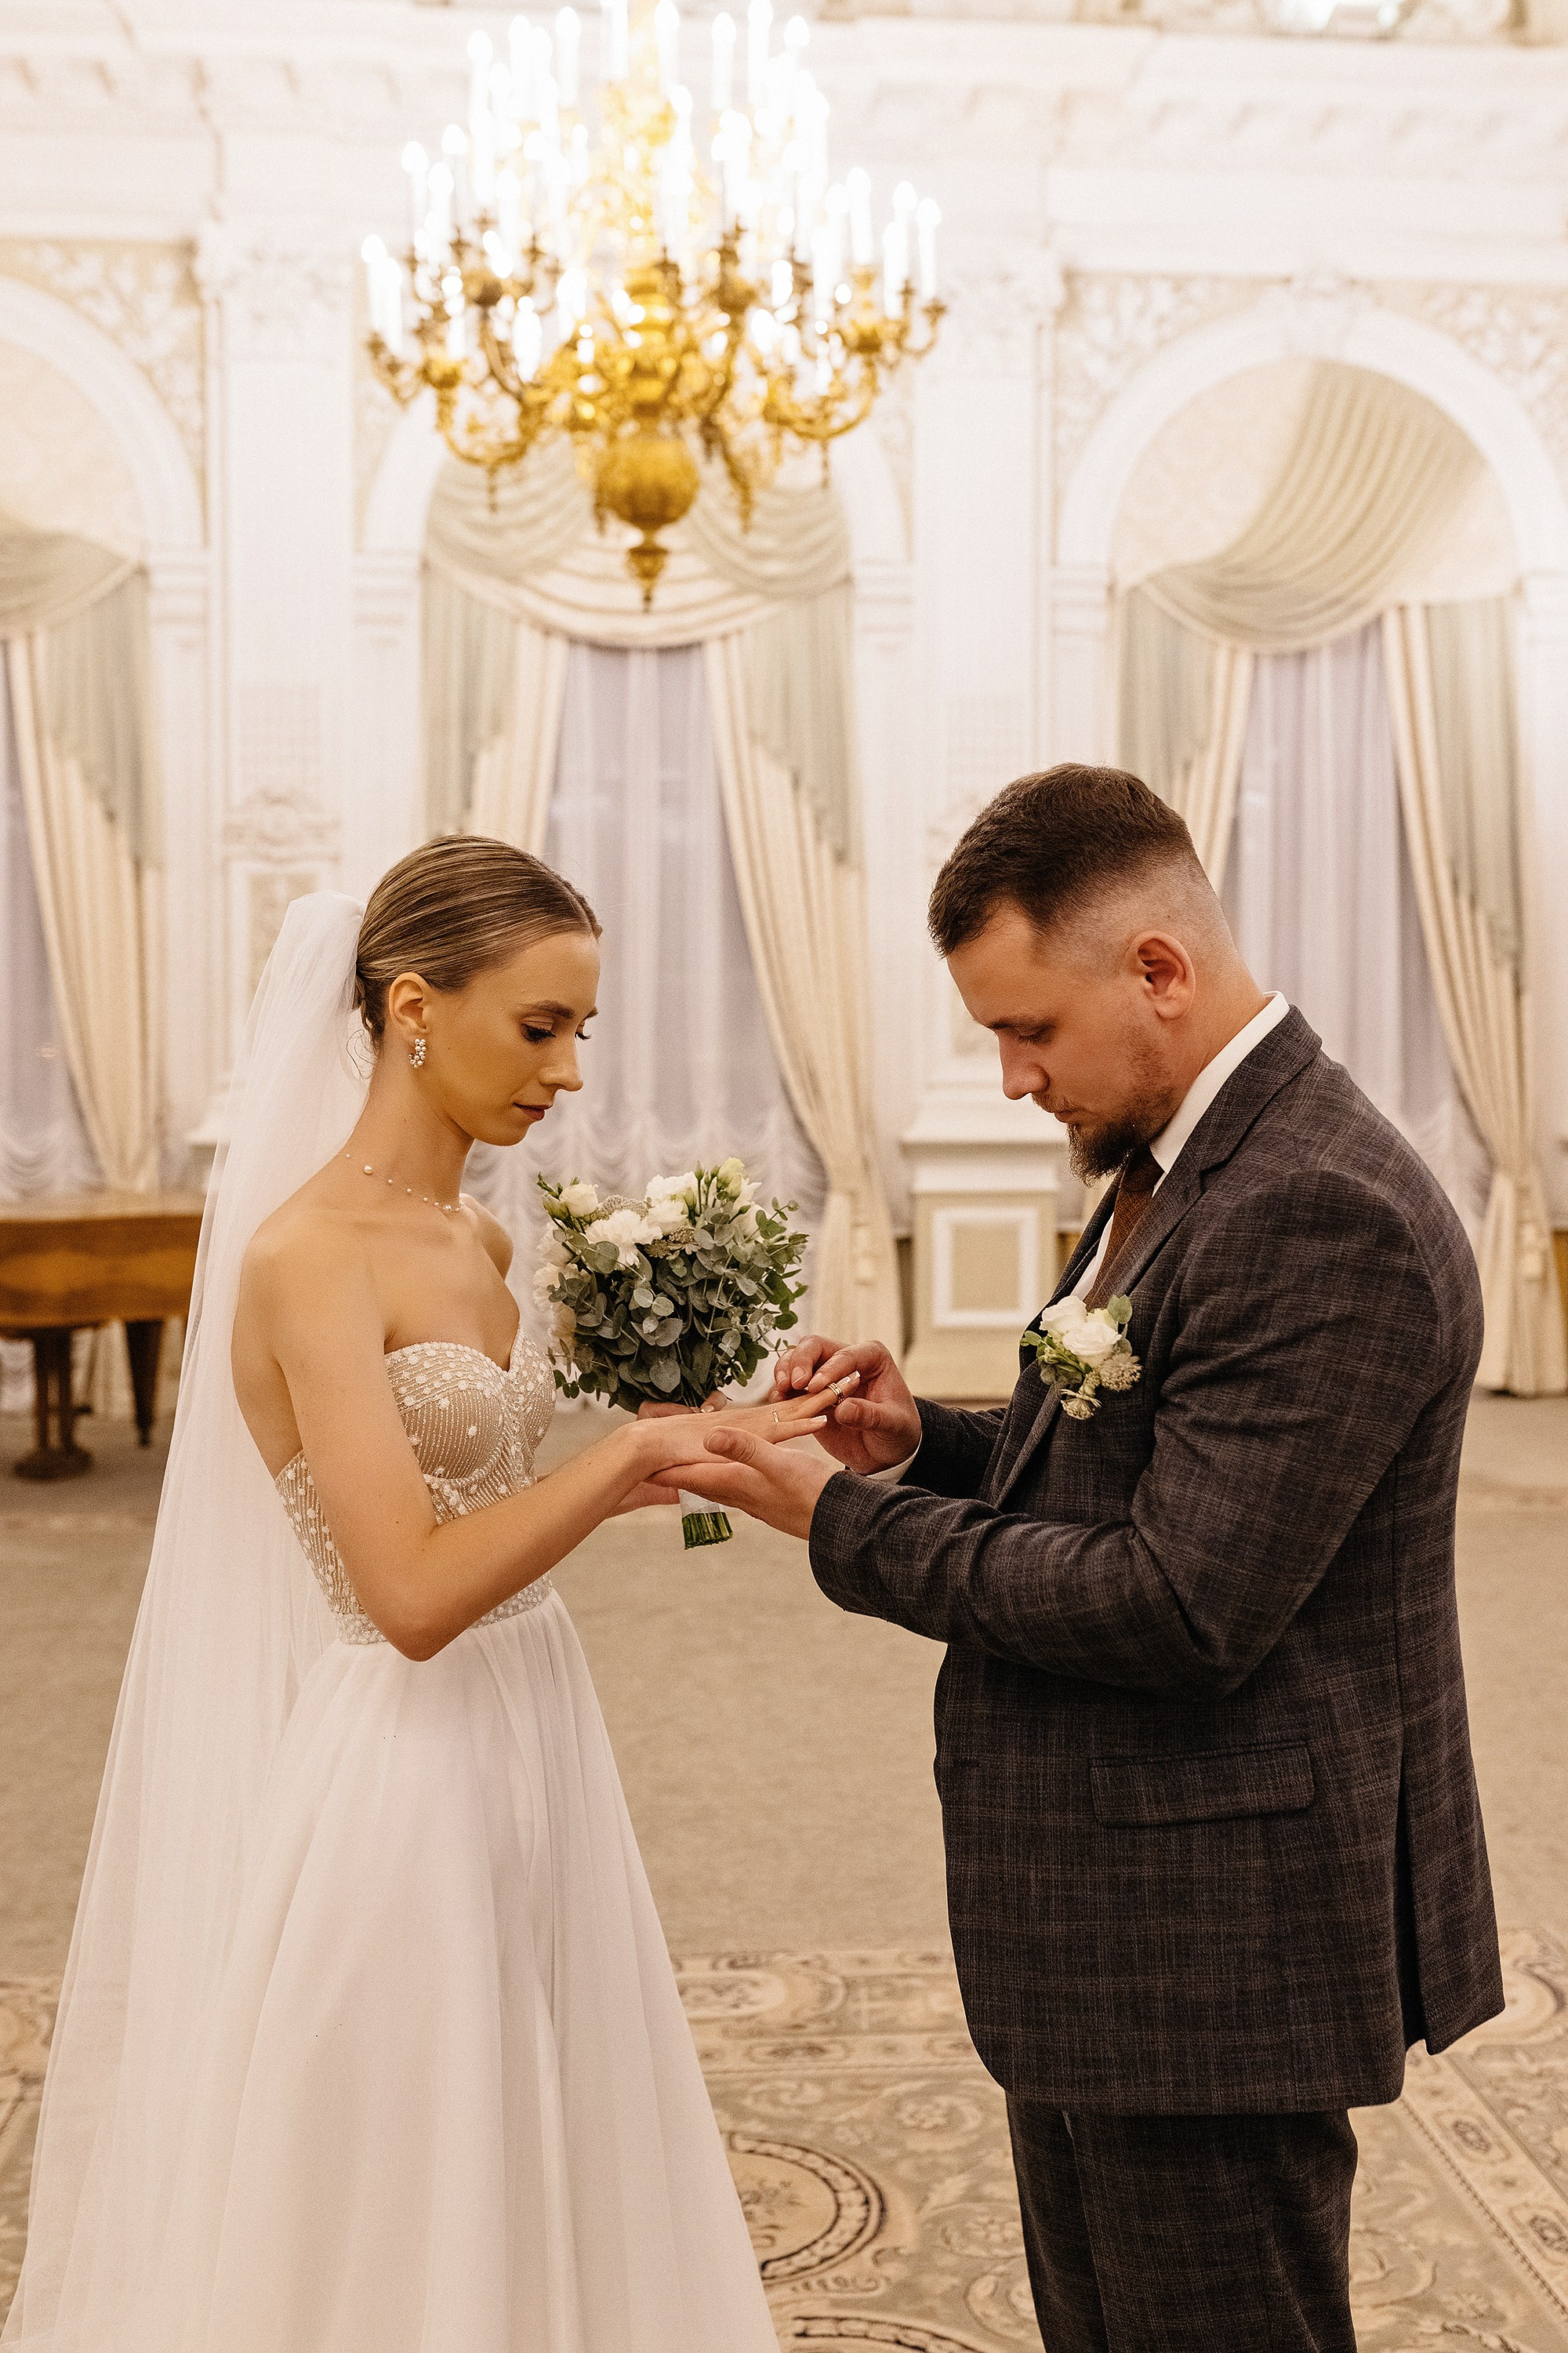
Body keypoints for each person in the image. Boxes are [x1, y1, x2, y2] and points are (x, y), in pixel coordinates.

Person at [662, 764, 1504, 2353]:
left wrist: (834, 1523)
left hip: (1218, 1936)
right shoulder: (1179, 1156)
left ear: (1159, 971)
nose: (1007, 1078)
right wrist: (927, 1443)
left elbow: (1179, 1601)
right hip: (1113, 1907)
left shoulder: (1317, 1203)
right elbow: (1124, 1469)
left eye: (1027, 1030)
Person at [5, 837, 827, 2353]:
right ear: (410, 1008)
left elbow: (492, 1517)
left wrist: (689, 1462)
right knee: (412, 2168)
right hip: (407, 1757)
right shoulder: (306, 1256)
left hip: (537, 1714)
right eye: (542, 1026)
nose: (572, 1069)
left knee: (548, 2119)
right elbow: (405, 1592)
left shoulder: (481, 1235)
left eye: (582, 1027)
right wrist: (628, 1445)